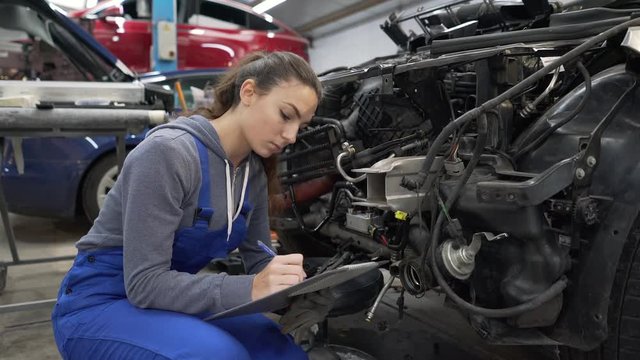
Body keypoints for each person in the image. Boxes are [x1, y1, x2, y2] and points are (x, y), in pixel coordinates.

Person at [51, 51, 324, 359]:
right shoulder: (168, 154)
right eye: (286, 115)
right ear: (248, 92)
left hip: (171, 300)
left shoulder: (253, 172)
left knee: (282, 353)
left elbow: (259, 260)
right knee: (219, 355)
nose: (291, 135)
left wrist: (300, 289)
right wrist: (251, 288)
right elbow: (145, 284)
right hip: (101, 303)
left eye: (301, 125)